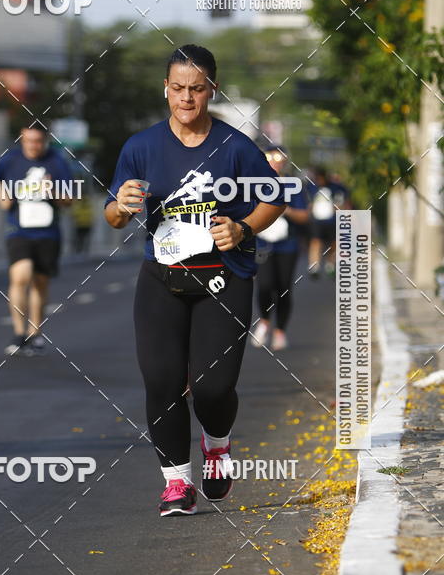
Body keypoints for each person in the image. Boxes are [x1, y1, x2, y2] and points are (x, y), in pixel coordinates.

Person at [104, 44, 287, 517]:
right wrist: (121, 207)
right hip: (161, 278)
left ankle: (218, 446)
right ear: (165, 89)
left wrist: (244, 227)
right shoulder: (141, 146)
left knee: (212, 387)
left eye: (196, 89)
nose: (186, 98)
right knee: (161, 380)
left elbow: (276, 197)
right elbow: (113, 215)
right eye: (178, 88)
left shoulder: (235, 146)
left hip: (224, 278)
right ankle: (176, 483)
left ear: (212, 90)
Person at [0, 126, 72, 355]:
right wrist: (3, 196)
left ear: (45, 141)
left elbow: (69, 201)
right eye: (28, 140)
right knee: (20, 276)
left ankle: (35, 333)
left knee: (39, 283)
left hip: (48, 232)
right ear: (22, 139)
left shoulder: (57, 162)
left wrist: (53, 191)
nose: (32, 145)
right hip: (19, 231)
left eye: (37, 141)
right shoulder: (10, 161)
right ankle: (19, 333)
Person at [252, 145, 309, 351]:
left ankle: (280, 331)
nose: (274, 160)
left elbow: (304, 216)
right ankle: (265, 320)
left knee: (283, 288)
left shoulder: (293, 185)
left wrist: (285, 210)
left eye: (279, 157)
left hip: (287, 245)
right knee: (265, 285)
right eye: (270, 156)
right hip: (262, 244)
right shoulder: (255, 184)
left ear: (285, 160)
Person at [307, 166, 351, 278]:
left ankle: (330, 264)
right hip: (317, 220)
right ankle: (314, 266)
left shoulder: (336, 187)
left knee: (333, 243)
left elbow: (344, 201)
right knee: (316, 242)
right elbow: (308, 202)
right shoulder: (311, 187)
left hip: (332, 220)